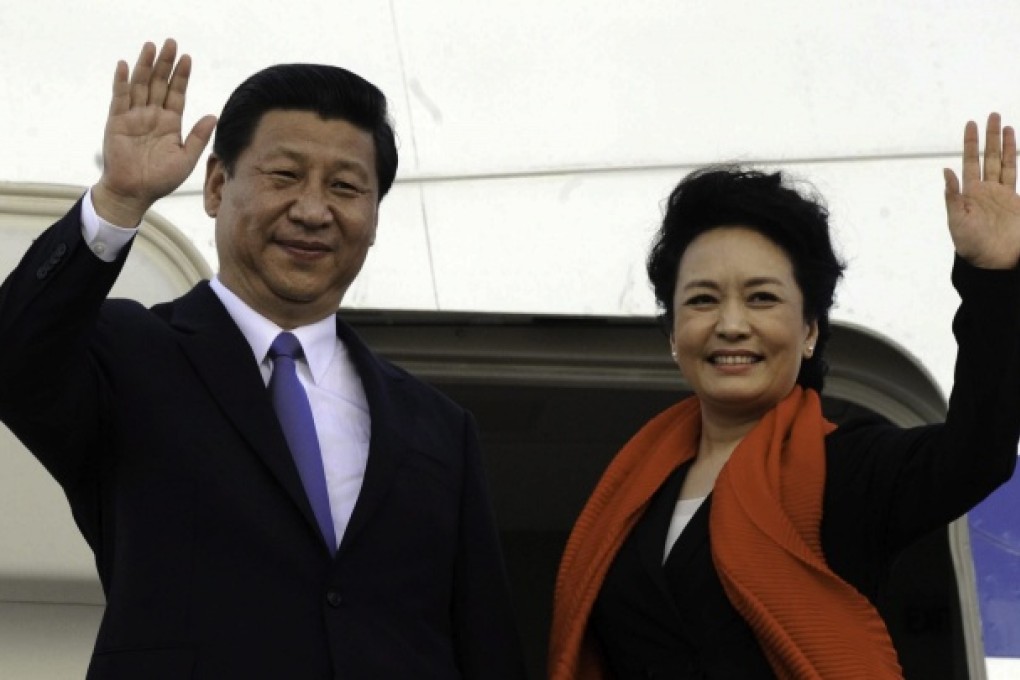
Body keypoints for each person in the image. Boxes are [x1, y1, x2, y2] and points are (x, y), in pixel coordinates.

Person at [0, 39, 527, 679]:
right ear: (217, 185)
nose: (312, 210)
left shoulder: (439, 429)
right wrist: (117, 200)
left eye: (345, 187)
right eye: (284, 176)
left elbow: (485, 643)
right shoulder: (131, 354)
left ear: (373, 217)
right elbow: (14, 355)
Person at [548, 114, 1020, 679]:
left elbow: (977, 452)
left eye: (762, 298)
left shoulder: (849, 469)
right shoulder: (630, 488)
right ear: (673, 333)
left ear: (810, 330)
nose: (730, 325)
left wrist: (993, 277)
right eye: (702, 300)